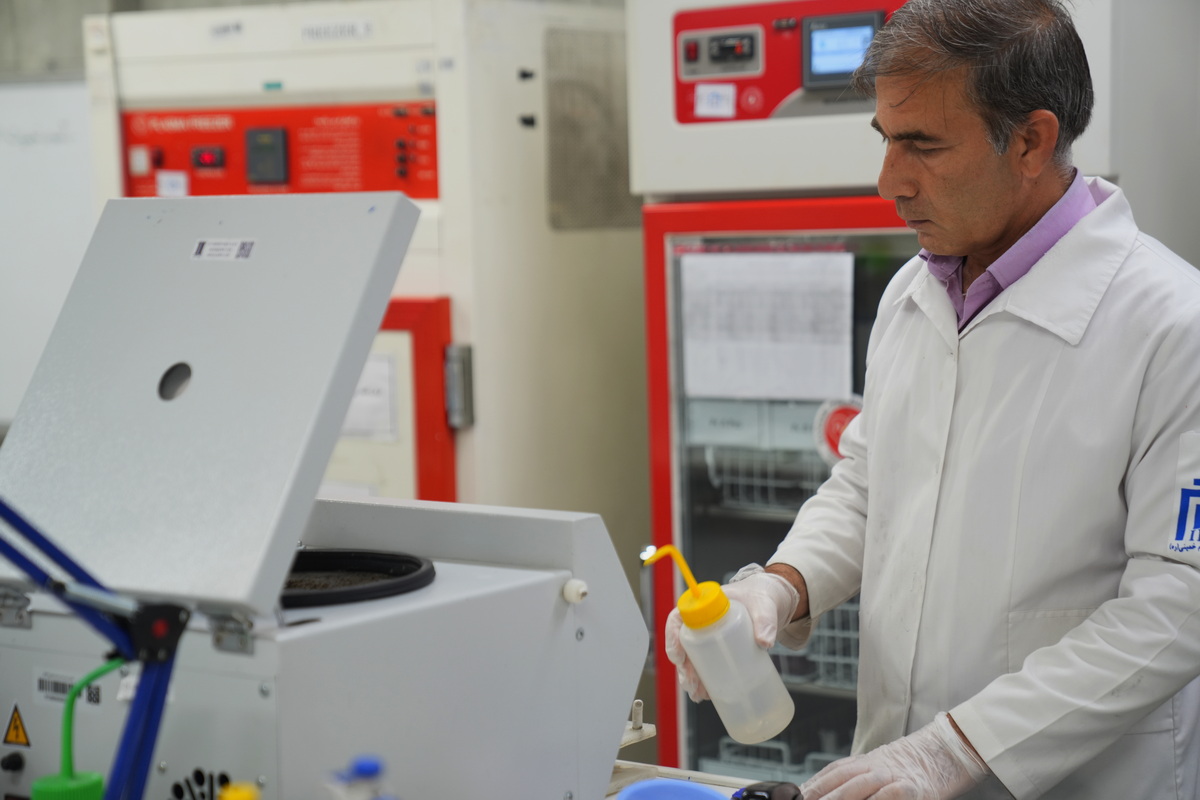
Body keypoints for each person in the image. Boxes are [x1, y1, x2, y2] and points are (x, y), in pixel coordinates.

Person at [664, 1, 1200, 798]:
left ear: (1031, 141)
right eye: (885, 139)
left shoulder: (1172, 323)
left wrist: (954, 749)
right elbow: (867, 485)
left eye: (922, 144)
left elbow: (1179, 605)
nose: (889, 181)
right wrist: (778, 586)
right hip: (889, 771)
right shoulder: (913, 294)